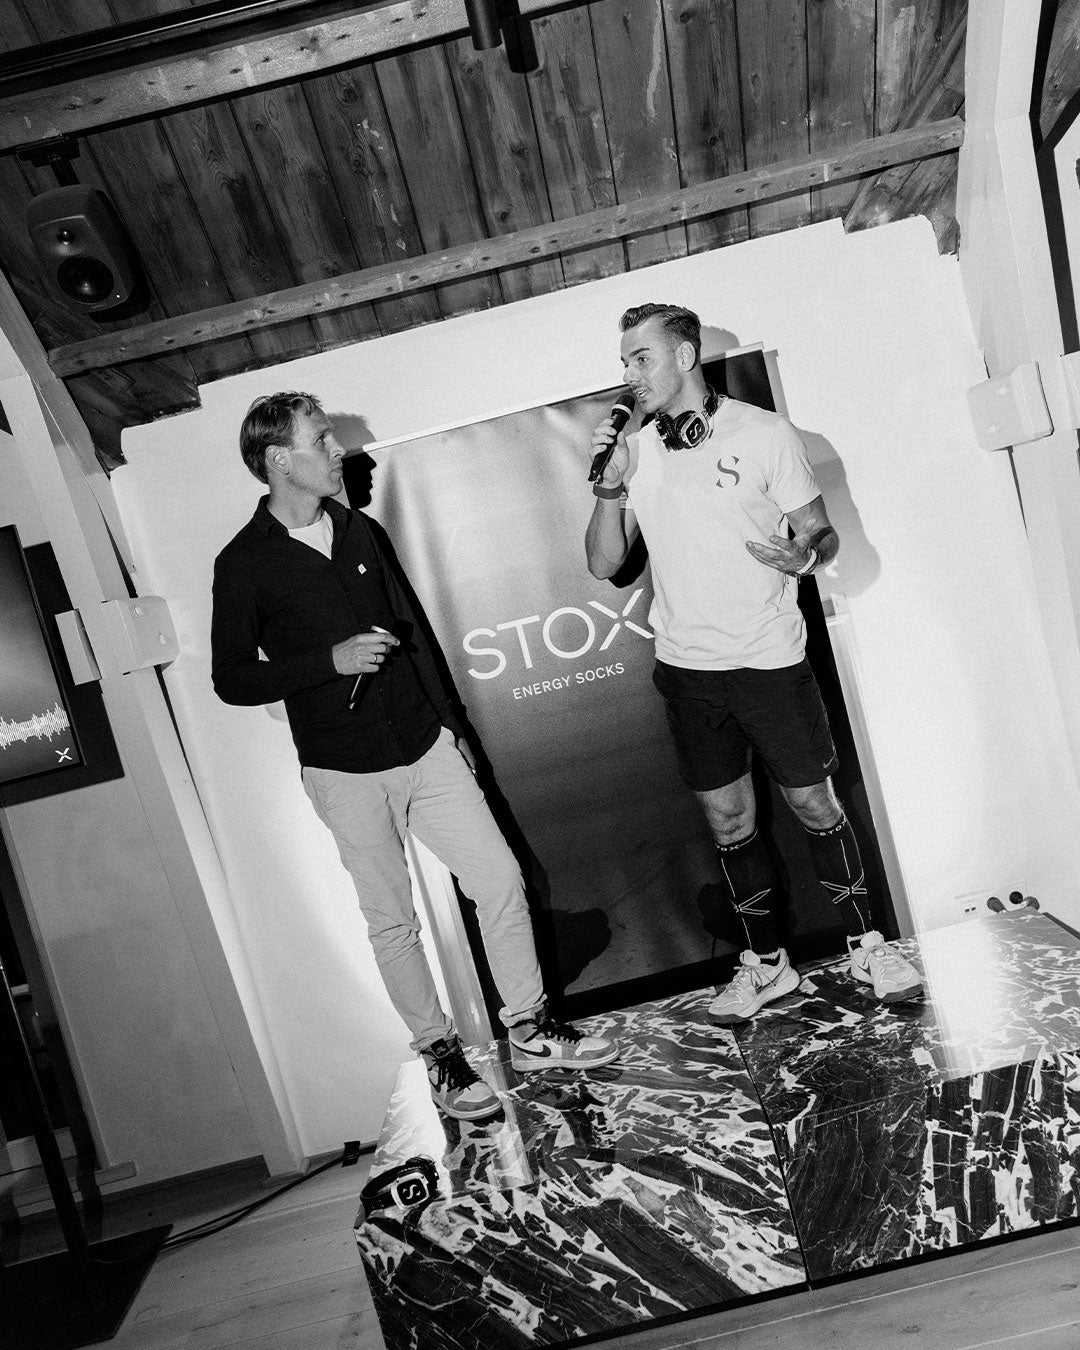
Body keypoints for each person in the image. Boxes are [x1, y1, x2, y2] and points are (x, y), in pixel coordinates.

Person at [212, 392, 617, 1122]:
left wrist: (450, 725)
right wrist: (327, 662)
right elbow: (231, 678)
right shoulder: (243, 564)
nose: (338, 450)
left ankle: (529, 1028)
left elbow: (415, 631)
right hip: (343, 769)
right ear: (279, 460)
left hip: (424, 745)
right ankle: (440, 1054)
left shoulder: (359, 529)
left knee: (498, 878)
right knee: (393, 922)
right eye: (320, 439)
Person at [585, 304, 921, 1024]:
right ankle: (767, 964)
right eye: (625, 362)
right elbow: (605, 562)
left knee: (815, 805)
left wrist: (806, 557)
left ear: (684, 356)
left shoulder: (766, 434)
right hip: (687, 672)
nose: (630, 374)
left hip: (769, 661)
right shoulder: (636, 452)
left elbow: (820, 532)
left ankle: (868, 945)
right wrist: (610, 486)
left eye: (641, 358)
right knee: (729, 822)